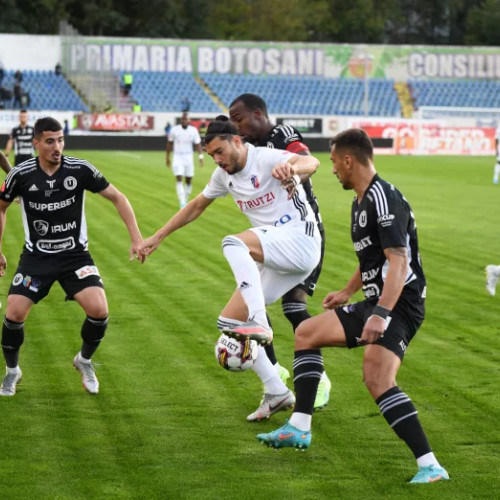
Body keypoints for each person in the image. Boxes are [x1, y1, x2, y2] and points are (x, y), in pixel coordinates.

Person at [258, 128, 449, 484]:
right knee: (306, 332)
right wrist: (348, 291)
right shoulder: (360, 201)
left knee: (378, 379)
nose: (331, 170)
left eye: (333, 162)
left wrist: (380, 313)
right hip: (378, 301)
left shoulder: (383, 199)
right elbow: (371, 259)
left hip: (399, 304)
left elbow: (399, 262)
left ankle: (430, 466)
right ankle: (299, 426)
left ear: (349, 160)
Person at [139, 116, 322, 421]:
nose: (217, 160)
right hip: (279, 256)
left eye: (220, 152)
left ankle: (260, 322)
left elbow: (312, 162)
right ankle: (276, 391)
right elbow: (196, 205)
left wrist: (293, 167)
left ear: (237, 141)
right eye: (211, 155)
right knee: (228, 322)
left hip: (301, 240)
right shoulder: (223, 176)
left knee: (233, 243)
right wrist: (158, 236)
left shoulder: (265, 158)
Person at [0, 117, 145, 397]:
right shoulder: (21, 174)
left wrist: (136, 238)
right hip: (36, 258)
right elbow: (2, 208)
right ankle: (12, 372)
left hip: (75, 256)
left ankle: (84, 361)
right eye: (51, 141)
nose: (58, 147)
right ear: (37, 143)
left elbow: (118, 197)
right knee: (13, 313)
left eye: (61, 139)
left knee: (99, 310)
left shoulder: (79, 169)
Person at [229, 93, 331, 412]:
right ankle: (276, 375)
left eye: (239, 118)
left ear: (258, 113)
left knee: (293, 306)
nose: (237, 126)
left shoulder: (282, 134)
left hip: (304, 231)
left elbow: (305, 158)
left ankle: (320, 377)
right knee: (254, 304)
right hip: (273, 236)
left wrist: (295, 172)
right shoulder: (250, 150)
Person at [166, 112, 204, 208]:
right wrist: (167, 157)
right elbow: (169, 143)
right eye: (183, 119)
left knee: (189, 180)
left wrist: (200, 156)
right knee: (179, 179)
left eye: (186, 119)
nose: (184, 121)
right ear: (181, 120)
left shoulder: (193, 130)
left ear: (189, 120)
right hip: (177, 157)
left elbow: (197, 144)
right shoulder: (174, 130)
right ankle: (182, 202)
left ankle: (185, 200)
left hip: (188, 157)